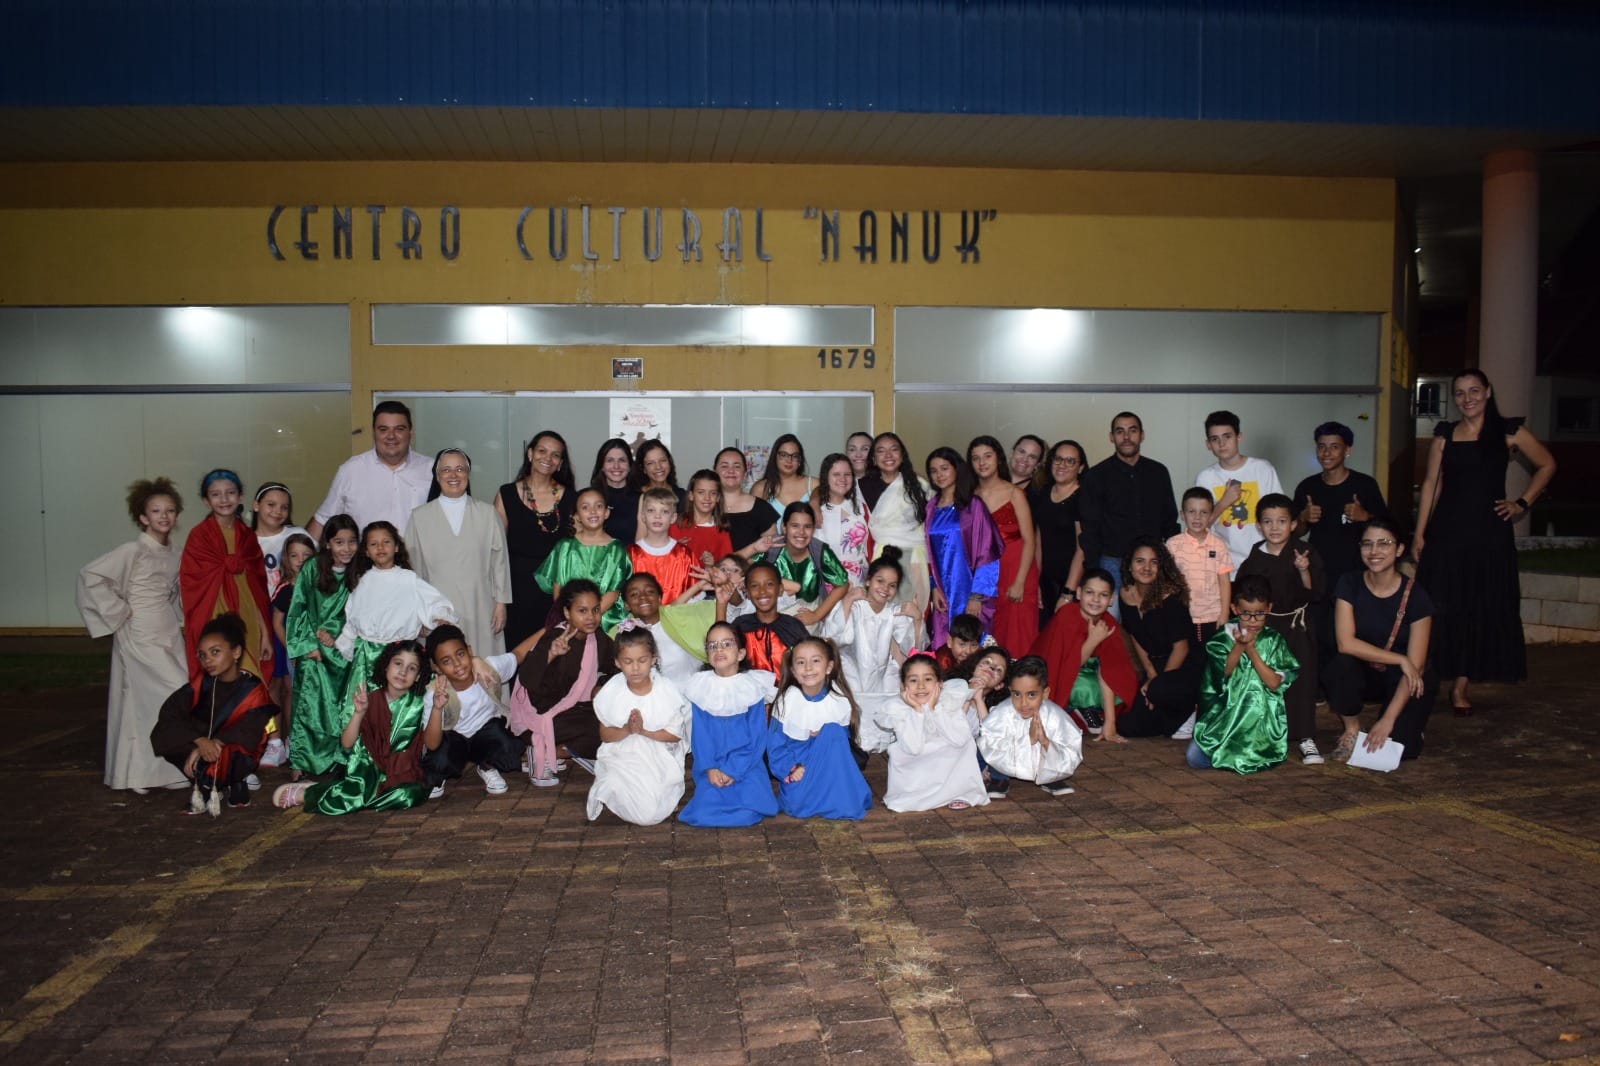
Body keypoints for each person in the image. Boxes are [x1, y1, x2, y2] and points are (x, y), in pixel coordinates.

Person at [1415, 368, 1556, 714]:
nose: (1468, 399)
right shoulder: (1445, 434)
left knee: (1477, 604)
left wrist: (1521, 503)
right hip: (1447, 532)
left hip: (1489, 533)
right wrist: (1419, 533)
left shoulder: (1509, 431)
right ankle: (1426, 676)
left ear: (1488, 391)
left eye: (1474, 391)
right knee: (1440, 602)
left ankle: (1460, 686)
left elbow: (1547, 464)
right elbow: (1432, 483)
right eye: (1460, 393)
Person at [77, 477, 191, 793]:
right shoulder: (133, 550)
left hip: (167, 631)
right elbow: (91, 575)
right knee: (169, 692)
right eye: (156, 511)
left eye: (170, 510)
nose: (164, 516)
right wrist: (119, 610)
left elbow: (177, 591)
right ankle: (142, 773)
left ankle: (160, 772)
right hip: (139, 633)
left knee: (154, 700)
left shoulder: (176, 553)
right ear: (143, 517)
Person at [272, 640, 444, 814]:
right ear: (386, 666)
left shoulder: (419, 704)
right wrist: (358, 713)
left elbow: (432, 744)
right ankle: (309, 793)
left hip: (401, 773)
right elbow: (346, 743)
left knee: (408, 795)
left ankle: (352, 794)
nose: (403, 672)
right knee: (356, 796)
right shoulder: (370, 699)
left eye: (411, 668)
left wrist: (437, 709)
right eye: (398, 663)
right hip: (367, 769)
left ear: (418, 676)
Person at [1327, 518, 1436, 762]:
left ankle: (1408, 725)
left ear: (1399, 549)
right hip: (1367, 671)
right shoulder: (1349, 583)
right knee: (1340, 666)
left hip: (1405, 679)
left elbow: (1416, 666)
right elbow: (1346, 643)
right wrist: (1400, 659)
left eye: (1384, 543)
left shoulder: (1417, 596)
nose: (1374, 551)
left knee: (1401, 749)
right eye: (1367, 544)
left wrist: (1388, 720)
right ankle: (1352, 729)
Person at [151, 613, 275, 815]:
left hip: (234, 750)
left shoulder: (252, 688)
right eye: (202, 655)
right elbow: (170, 713)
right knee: (165, 732)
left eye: (215, 652)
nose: (208, 660)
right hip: (207, 745)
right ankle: (205, 783)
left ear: (236, 652)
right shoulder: (202, 684)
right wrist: (198, 741)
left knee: (239, 743)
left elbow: (250, 729)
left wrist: (214, 743)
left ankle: (236, 781)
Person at [1236, 494, 1326, 764]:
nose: (1275, 527)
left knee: (1302, 680)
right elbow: (1244, 594)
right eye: (1268, 521)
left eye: (1282, 521)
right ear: (1258, 525)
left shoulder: (1304, 552)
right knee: (1267, 680)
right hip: (1266, 627)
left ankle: (1306, 737)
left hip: (1298, 625)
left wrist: (1304, 570)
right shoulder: (1254, 558)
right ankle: (1269, 736)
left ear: (1294, 524)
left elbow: (1316, 593)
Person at [334, 521, 458, 704]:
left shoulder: (409, 579)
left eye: (386, 542)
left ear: (396, 547)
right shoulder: (364, 582)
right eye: (374, 544)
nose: (380, 547)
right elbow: (353, 617)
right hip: (366, 657)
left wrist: (439, 617)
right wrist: (347, 642)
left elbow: (434, 602)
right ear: (366, 551)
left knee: (397, 705)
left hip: (401, 656)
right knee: (365, 704)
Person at [405, 448, 513, 659]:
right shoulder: (419, 517)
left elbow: (500, 562)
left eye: (460, 469)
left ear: (468, 474)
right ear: (437, 476)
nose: (453, 475)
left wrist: (501, 605)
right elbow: (412, 571)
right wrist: (418, 614)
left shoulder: (487, 513)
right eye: (446, 470)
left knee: (483, 663)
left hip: (481, 606)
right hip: (437, 611)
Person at [1186, 575, 1298, 774]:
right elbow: (1222, 675)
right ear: (1235, 609)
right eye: (1246, 613)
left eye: (1259, 613)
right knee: (1194, 758)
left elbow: (1274, 683)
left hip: (1259, 724)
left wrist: (1251, 650)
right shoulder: (1221, 639)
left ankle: (1237, 755)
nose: (1252, 621)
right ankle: (1231, 753)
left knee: (1251, 755)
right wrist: (1239, 645)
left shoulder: (1274, 640)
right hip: (1224, 718)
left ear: (1269, 608)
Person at [510, 579, 615, 786]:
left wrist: (600, 685)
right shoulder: (556, 637)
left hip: (575, 710)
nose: (591, 617)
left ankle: (558, 751)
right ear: (567, 613)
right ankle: (542, 752)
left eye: (595, 610)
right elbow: (527, 678)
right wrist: (550, 654)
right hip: (543, 715)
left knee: (617, 722)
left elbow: (617, 665)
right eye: (582, 611)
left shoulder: (598, 638)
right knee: (603, 731)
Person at [678, 622, 780, 827]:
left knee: (747, 811)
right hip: (713, 765)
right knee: (704, 813)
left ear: (741, 653)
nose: (719, 649)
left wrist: (733, 770)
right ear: (707, 654)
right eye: (712, 645)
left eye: (726, 644)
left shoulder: (751, 687)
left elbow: (757, 737)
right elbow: (700, 736)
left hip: (746, 765)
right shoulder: (701, 687)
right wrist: (711, 768)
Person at [822, 548, 922, 755]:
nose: (885, 589)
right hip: (851, 674)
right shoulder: (856, 607)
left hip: (880, 676)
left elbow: (913, 648)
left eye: (892, 585)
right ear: (868, 581)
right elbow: (834, 637)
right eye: (880, 581)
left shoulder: (894, 613)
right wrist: (847, 601)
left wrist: (917, 618)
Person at [588, 627, 691, 825]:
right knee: (621, 789)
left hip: (658, 752)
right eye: (628, 662)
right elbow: (605, 735)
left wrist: (643, 731)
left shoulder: (665, 690)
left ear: (653, 659)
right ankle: (612, 789)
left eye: (642, 660)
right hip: (622, 753)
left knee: (650, 814)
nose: (635, 668)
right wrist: (627, 730)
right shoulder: (612, 691)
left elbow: (674, 735)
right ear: (617, 662)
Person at [1078, 412, 1178, 615]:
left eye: (1132, 431)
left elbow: (1169, 520)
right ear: (1111, 437)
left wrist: (1171, 565)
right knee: (1110, 622)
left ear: (1142, 435)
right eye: (1120, 431)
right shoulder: (1096, 476)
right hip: (1111, 563)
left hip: (1151, 564)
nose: (1126, 437)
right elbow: (1090, 528)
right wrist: (1093, 571)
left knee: (1152, 622)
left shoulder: (1158, 472)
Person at [180, 469, 274, 685]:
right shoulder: (199, 537)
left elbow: (257, 590)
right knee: (220, 679)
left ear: (240, 497)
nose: (224, 499)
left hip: (248, 619)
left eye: (230, 493)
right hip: (214, 619)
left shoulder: (248, 537)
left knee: (249, 678)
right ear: (206, 501)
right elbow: (193, 589)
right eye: (216, 494)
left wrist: (265, 633)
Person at [421, 624, 537, 798]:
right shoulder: (434, 692)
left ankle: (486, 766)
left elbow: (518, 654)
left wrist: (548, 627)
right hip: (455, 740)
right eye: (446, 661)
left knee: (507, 746)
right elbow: (431, 744)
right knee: (436, 764)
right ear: (436, 667)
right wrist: (437, 708)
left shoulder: (488, 668)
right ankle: (443, 773)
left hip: (485, 733)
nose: (457, 664)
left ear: (469, 651)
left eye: (460, 654)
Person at [284, 514, 358, 777]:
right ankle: (302, 764)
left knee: (342, 709)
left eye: (352, 541)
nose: (346, 548)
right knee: (309, 709)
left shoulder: (360, 572)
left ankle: (339, 763)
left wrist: (337, 634)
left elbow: (360, 611)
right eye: (339, 542)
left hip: (344, 652)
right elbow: (298, 609)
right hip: (315, 652)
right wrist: (307, 645)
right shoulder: (312, 568)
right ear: (327, 543)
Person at [766, 637, 873, 820]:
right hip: (801, 772)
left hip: (829, 773)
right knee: (798, 802)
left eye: (815, 661)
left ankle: (836, 795)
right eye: (801, 662)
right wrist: (791, 768)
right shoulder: (787, 701)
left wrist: (823, 738)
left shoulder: (838, 701)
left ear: (829, 667)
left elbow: (842, 752)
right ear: (793, 670)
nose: (808, 668)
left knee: (833, 731)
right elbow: (775, 746)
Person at [1029, 569, 1137, 740]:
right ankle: (1076, 709)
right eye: (1089, 592)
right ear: (1079, 593)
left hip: (1087, 673)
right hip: (1053, 674)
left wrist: (1110, 724)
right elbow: (1064, 667)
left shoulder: (1108, 623)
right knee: (1084, 686)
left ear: (1111, 600)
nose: (1095, 599)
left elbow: (1110, 670)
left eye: (1103, 595)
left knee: (1120, 681)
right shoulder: (1066, 616)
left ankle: (1093, 712)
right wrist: (1093, 641)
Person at [497, 430, 577, 651]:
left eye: (555, 455)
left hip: (555, 592)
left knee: (552, 655)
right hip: (516, 591)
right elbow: (496, 551)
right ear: (530, 454)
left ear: (560, 463)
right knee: (517, 653)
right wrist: (498, 599)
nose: (547, 458)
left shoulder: (571, 497)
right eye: (542, 451)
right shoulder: (506, 494)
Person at [307, 401, 433, 540]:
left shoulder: (432, 470)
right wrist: (301, 551)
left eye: (399, 429)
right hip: (364, 555)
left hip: (419, 555)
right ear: (374, 432)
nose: (391, 436)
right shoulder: (350, 471)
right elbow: (323, 520)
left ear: (410, 431)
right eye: (383, 429)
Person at [877, 656, 989, 811]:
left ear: (939, 684)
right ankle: (919, 796)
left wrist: (933, 709)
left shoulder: (949, 701)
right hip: (916, 765)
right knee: (905, 751)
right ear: (903, 686)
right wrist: (918, 711)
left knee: (965, 743)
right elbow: (913, 748)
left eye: (928, 679)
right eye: (913, 680)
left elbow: (959, 739)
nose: (921, 686)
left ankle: (960, 792)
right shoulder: (898, 709)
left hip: (948, 758)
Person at [1115, 537, 1200, 739]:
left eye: (1153, 562)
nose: (1146, 568)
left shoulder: (1171, 598)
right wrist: (1151, 674)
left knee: (1158, 691)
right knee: (1127, 727)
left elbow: (1181, 648)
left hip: (1185, 667)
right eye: (1140, 561)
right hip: (1157, 665)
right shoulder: (1125, 595)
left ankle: (1192, 710)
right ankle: (1170, 719)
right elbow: (1136, 636)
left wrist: (1158, 683)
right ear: (1129, 566)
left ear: (1161, 567)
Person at [1292, 421, 1389, 589]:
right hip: (1318, 569)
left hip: (1357, 570)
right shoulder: (1307, 486)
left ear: (1347, 450)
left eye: (1334, 447)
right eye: (1321, 446)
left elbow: (1387, 528)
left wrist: (1365, 516)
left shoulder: (1365, 484)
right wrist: (1303, 517)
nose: (1326, 453)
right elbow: (1295, 533)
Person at [923, 447, 1002, 649]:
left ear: (956, 469)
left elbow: (987, 553)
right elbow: (927, 553)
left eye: (944, 468)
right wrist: (934, 587)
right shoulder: (930, 508)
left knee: (971, 645)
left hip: (968, 588)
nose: (939, 475)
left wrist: (977, 596)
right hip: (942, 591)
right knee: (943, 645)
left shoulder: (972, 505)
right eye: (933, 471)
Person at [970, 435, 1040, 657]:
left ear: (998, 458)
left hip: (1017, 569)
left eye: (987, 456)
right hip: (986, 572)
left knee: (1019, 633)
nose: (982, 462)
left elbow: (1029, 540)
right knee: (991, 632)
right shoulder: (970, 496)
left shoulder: (1014, 493)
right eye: (976, 458)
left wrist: (1020, 581)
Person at [976, 655, 1082, 796]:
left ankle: (1050, 777)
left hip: (1043, 763)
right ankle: (999, 778)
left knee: (1052, 744)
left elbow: (1070, 748)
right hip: (1005, 764)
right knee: (986, 744)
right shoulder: (1003, 713)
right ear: (1010, 691)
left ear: (1045, 693)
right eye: (1017, 694)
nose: (1023, 703)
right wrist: (1029, 740)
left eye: (1031, 695)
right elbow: (991, 744)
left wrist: (1045, 742)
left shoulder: (1055, 716)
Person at [1194, 410, 1284, 571]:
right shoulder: (1205, 478)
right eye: (1215, 439)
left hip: (1264, 561)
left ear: (1239, 437)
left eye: (1227, 436)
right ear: (1208, 444)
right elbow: (1198, 527)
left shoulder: (1262, 469)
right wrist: (1224, 502)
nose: (1221, 443)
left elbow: (1280, 516)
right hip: (1224, 564)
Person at [535, 486, 632, 625]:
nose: (593, 511)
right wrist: (571, 618)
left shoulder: (617, 550)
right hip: (570, 620)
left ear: (606, 513)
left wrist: (589, 618)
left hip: (604, 619)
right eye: (585, 507)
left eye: (598, 506)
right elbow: (558, 591)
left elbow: (613, 593)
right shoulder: (565, 547)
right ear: (577, 515)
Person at [860, 432, 933, 614]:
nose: (888, 455)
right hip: (881, 557)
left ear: (902, 455)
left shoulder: (919, 485)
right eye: (881, 451)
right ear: (873, 458)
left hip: (915, 558)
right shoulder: (862, 486)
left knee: (912, 612)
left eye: (894, 449)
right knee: (880, 614)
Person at [264, 532, 316, 768]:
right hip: (294, 653)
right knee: (293, 693)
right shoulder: (286, 589)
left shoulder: (318, 587)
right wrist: (293, 649)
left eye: (306, 555)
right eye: (294, 555)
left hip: (316, 652)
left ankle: (309, 740)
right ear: (286, 558)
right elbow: (277, 623)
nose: (300, 560)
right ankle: (290, 740)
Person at [612, 572, 714, 687]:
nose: (643, 597)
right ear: (626, 605)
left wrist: (699, 586)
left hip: (694, 689)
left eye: (649, 591)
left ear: (659, 598)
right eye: (634, 594)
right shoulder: (622, 633)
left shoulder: (677, 617)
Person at [760, 502, 851, 630]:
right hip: (771, 612)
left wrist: (817, 615)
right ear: (784, 527)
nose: (801, 532)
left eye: (807, 526)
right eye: (795, 526)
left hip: (806, 614)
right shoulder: (771, 547)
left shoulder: (819, 551)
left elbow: (843, 584)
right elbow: (746, 568)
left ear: (813, 529)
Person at [619, 488, 698, 624]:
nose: (657, 516)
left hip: (677, 624)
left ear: (673, 518)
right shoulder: (630, 554)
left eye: (664, 511)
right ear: (643, 516)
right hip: (640, 626)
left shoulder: (685, 555)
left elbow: (694, 599)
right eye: (651, 510)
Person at [1030, 439, 1088, 624]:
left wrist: (1068, 592)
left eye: (1070, 461)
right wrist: (1035, 582)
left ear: (1080, 468)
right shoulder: (1043, 493)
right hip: (1046, 580)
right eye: (1058, 459)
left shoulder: (1083, 498)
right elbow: (1038, 542)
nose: (1062, 465)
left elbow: (1082, 549)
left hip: (1072, 582)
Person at [1168, 488, 1233, 648]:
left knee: (1210, 656)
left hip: (1213, 616)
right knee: (1186, 656)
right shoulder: (1172, 544)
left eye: (1204, 512)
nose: (1197, 517)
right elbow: (1167, 581)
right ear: (1182, 515)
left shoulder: (1219, 545)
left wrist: (1224, 613)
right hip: (1183, 615)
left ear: (1211, 516)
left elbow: (1224, 582)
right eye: (1192, 512)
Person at [724, 561, 809, 673]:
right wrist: (721, 603)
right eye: (754, 586)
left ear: (780, 589)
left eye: (769, 584)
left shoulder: (793, 626)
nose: (762, 591)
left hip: (786, 684)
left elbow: (807, 660)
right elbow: (724, 654)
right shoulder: (741, 625)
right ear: (747, 592)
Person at [955, 647, 1013, 797]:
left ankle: (998, 778)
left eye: (998, 670)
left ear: (999, 685)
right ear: (974, 666)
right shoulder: (953, 687)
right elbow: (952, 728)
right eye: (987, 662)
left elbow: (991, 735)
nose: (991, 668)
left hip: (971, 757)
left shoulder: (995, 708)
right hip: (948, 752)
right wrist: (968, 694)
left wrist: (979, 699)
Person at [811, 452, 872, 587]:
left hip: (860, 582)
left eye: (847, 474)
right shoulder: (815, 511)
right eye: (836, 474)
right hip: (828, 583)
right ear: (826, 477)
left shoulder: (860, 506)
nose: (842, 479)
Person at [251, 482, 310, 601]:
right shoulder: (247, 540)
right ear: (256, 505)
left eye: (284, 507)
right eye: (271, 504)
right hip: (259, 607)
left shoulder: (297, 534)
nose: (278, 511)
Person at [714, 447, 779, 554]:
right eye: (724, 466)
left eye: (737, 466)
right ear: (715, 471)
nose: (731, 471)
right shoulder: (705, 505)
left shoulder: (762, 508)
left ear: (745, 472)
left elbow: (773, 552)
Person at [672, 470, 736, 569]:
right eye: (701, 492)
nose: (707, 498)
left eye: (713, 493)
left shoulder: (721, 530)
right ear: (691, 495)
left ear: (718, 497)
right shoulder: (676, 524)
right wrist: (674, 550)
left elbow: (727, 569)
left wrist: (711, 566)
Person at [589, 437, 641, 544]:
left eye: (622, 460)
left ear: (630, 465)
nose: (616, 466)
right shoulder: (588, 498)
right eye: (610, 460)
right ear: (602, 466)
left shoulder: (642, 499)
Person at [754, 433, 819, 507]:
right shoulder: (760, 488)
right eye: (784, 455)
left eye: (795, 456)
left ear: (800, 460)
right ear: (775, 457)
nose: (789, 460)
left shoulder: (814, 485)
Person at [634, 439, 686, 509]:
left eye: (662, 460)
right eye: (650, 463)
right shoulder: (633, 497)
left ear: (669, 462)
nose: (658, 467)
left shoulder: (682, 496)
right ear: (643, 468)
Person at [934, 613, 985, 677]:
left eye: (974, 645)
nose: (968, 651)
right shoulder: (942, 661)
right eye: (962, 645)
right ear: (950, 641)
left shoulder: (982, 657)